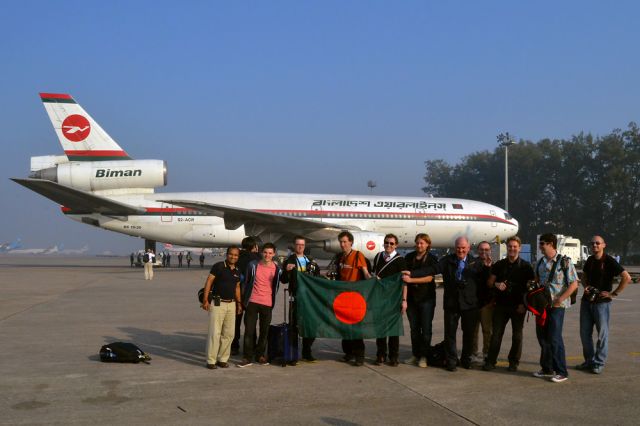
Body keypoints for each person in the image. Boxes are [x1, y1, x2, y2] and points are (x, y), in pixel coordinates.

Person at [412, 236, 484, 371]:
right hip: (452, 304)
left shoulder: (477, 263)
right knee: (450, 334)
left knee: (469, 334)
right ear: (454, 248)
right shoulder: (447, 261)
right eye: (458, 247)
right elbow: (431, 270)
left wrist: (480, 302)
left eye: (463, 247)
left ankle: (465, 359)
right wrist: (412, 274)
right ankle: (451, 360)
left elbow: (483, 285)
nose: (460, 250)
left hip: (470, 306)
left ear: (468, 248)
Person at [577, 235, 632, 374]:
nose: (594, 245)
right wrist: (586, 286)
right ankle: (589, 361)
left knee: (602, 334)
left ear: (603, 245)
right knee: (585, 334)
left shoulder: (609, 261)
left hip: (601, 304)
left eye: (597, 243)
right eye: (592, 243)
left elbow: (627, 277)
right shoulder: (589, 260)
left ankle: (599, 362)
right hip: (587, 302)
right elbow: (583, 276)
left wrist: (613, 294)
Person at [483, 236, 534, 372]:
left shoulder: (526, 267)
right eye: (510, 246)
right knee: (496, 335)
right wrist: (496, 284)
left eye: (514, 246)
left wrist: (525, 305)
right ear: (506, 247)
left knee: (517, 336)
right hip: (501, 305)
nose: (512, 249)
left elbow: (531, 289)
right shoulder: (499, 265)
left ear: (519, 248)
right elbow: (489, 283)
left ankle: (513, 362)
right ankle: (490, 361)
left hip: (518, 306)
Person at [533, 233, 579, 383]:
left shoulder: (564, 262)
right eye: (540, 243)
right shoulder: (540, 262)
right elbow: (537, 281)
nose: (540, 246)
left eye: (543, 243)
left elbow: (574, 283)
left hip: (557, 306)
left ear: (551, 244)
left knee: (554, 338)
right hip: (542, 306)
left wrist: (561, 298)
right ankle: (547, 368)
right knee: (543, 338)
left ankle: (561, 371)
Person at [238, 242, 283, 367]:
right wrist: (242, 301)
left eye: (270, 253)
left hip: (267, 303)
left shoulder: (277, 269)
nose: (267, 255)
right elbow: (246, 283)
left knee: (264, 332)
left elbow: (281, 282)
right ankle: (247, 357)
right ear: (261, 252)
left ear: (274, 254)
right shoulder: (253, 265)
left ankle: (260, 355)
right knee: (249, 331)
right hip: (252, 302)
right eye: (265, 252)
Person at [201, 246, 243, 369]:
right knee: (215, 333)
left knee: (229, 334)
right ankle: (211, 360)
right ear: (227, 254)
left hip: (232, 304)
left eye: (236, 255)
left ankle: (223, 359)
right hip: (217, 303)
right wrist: (205, 300)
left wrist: (239, 303)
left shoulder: (238, 270)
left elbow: (237, 288)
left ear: (238, 257)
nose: (233, 257)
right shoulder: (218, 266)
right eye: (231, 254)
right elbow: (209, 282)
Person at [334, 231, 371, 366]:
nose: (342, 244)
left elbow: (365, 273)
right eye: (341, 242)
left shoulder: (357, 255)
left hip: (355, 297)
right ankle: (348, 353)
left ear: (351, 242)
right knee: (344, 327)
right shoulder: (340, 258)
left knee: (356, 327)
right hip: (343, 297)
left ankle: (359, 356)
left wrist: (372, 280)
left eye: (345, 242)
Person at [401, 233, 438, 368]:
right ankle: (415, 354)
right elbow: (404, 278)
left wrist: (412, 280)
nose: (419, 245)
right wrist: (404, 299)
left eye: (422, 243)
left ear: (428, 244)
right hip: (412, 299)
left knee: (426, 329)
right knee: (414, 329)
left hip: (426, 299)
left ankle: (424, 356)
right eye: (417, 242)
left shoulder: (432, 258)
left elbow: (429, 278)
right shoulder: (409, 257)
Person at [282, 236, 320, 363]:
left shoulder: (311, 260)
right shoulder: (289, 261)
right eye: (298, 244)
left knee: (311, 326)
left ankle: (307, 352)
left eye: (302, 245)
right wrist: (286, 271)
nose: (300, 247)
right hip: (295, 298)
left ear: (305, 246)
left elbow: (318, 278)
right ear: (294, 245)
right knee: (293, 326)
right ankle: (293, 354)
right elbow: (283, 280)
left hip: (310, 299)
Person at [371, 234, 407, 366]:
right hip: (379, 298)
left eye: (392, 243)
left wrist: (404, 300)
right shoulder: (378, 256)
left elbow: (404, 282)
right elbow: (374, 275)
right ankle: (380, 355)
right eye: (386, 243)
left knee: (393, 329)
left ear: (396, 245)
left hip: (393, 299)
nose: (389, 245)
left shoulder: (400, 260)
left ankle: (393, 356)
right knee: (380, 328)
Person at [231, 237, 261, 356]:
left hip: (236, 294)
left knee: (235, 322)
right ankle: (251, 346)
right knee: (250, 323)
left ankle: (234, 346)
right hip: (251, 295)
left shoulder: (237, 257)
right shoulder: (256, 258)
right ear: (254, 246)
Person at [471, 241, 494, 363]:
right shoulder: (473, 264)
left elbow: (493, 284)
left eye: (486, 249)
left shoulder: (494, 265)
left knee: (487, 331)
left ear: (490, 250)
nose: (484, 252)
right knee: (473, 331)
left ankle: (486, 353)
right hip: (474, 303)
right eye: (481, 249)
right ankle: (473, 353)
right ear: (477, 250)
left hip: (487, 304)